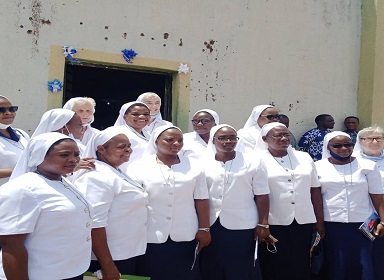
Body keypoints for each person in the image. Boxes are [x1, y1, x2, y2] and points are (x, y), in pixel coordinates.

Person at [0, 132, 92, 280]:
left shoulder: (62, 181)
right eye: (64, 155)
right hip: (40, 274)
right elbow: (11, 246)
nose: (74, 160)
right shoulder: (24, 190)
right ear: (39, 156)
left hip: (68, 270)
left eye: (76, 154)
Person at [129, 125, 210, 280]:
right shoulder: (138, 167)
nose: (176, 144)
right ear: (156, 141)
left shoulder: (194, 165)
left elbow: (201, 199)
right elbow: (134, 203)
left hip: (186, 233)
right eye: (170, 140)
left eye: (180, 140)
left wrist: (204, 228)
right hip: (150, 234)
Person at [74, 127, 148, 279]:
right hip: (108, 257)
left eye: (129, 146)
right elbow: (94, 224)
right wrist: (107, 265)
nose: (128, 150)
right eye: (121, 147)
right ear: (101, 149)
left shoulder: (115, 171)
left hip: (124, 252)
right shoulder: (96, 177)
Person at [199, 124, 270, 280]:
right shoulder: (202, 162)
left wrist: (263, 224)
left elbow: (262, 194)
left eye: (232, 137)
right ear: (213, 140)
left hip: (243, 224)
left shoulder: (252, 161)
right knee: (213, 265)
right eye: (222, 138)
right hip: (211, 223)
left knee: (240, 266)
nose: (228, 141)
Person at [258, 122, 324, 280]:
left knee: (300, 263)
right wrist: (262, 223)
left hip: (303, 220)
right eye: (277, 135)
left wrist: (319, 220)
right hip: (274, 221)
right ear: (265, 139)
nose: (283, 138)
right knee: (274, 264)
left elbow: (314, 189)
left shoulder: (304, 157)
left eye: (286, 134)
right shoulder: (257, 160)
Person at [315, 131, 384, 280]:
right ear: (328, 148)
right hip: (332, 224)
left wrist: (383, 221)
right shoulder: (317, 167)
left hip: (364, 224)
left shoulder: (368, 166)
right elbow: (316, 199)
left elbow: (377, 196)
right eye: (337, 145)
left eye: (348, 144)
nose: (344, 148)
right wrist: (319, 223)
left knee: (363, 264)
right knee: (337, 264)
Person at [353, 125, 384, 280]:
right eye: (369, 138)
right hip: (365, 215)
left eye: (379, 138)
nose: (374, 141)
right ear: (360, 141)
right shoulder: (352, 161)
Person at [31, 109, 95, 174]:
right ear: (64, 126)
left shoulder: (80, 147)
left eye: (77, 155)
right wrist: (71, 168)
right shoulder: (40, 147)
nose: (83, 128)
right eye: (80, 124)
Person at [0, 95, 30, 186]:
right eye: (1, 110)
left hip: (24, 191)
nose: (8, 113)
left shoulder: (21, 134)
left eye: (12, 109)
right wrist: (21, 170)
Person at [114, 101, 151, 171]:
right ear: (124, 117)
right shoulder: (116, 133)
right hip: (123, 176)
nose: (142, 116)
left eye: (146, 114)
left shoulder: (149, 135)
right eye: (135, 114)